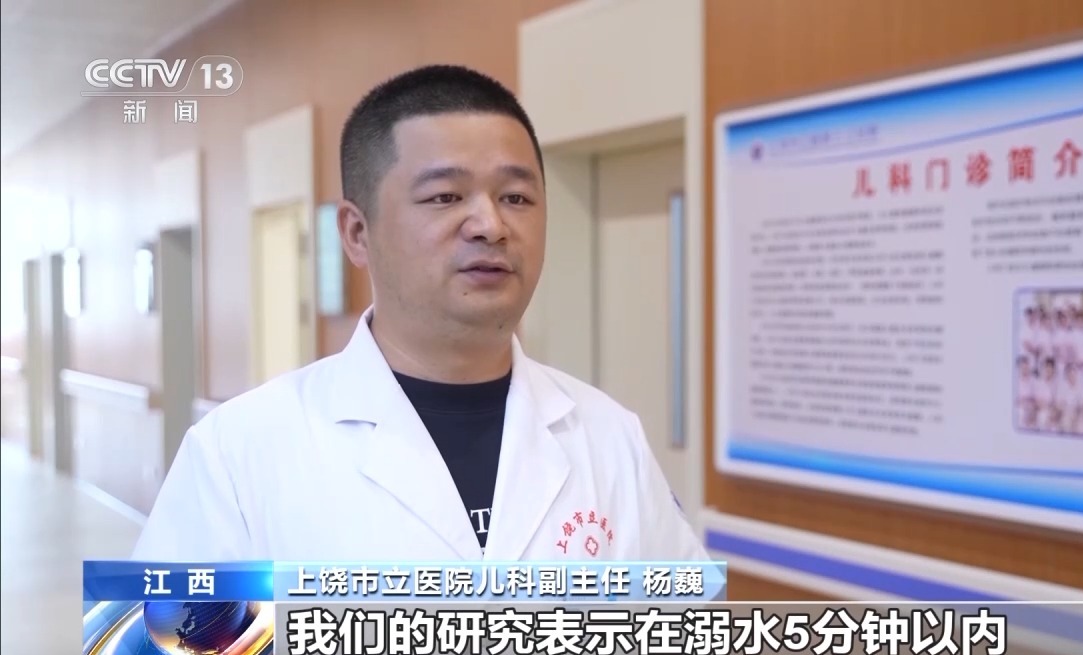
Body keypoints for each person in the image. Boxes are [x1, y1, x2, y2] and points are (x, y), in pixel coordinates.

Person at [132, 65, 709, 563]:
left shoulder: (610, 437)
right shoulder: (237, 453)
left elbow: (682, 627)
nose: (491, 225)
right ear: (357, 233)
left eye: (516, 198)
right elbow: (172, 636)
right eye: (445, 197)